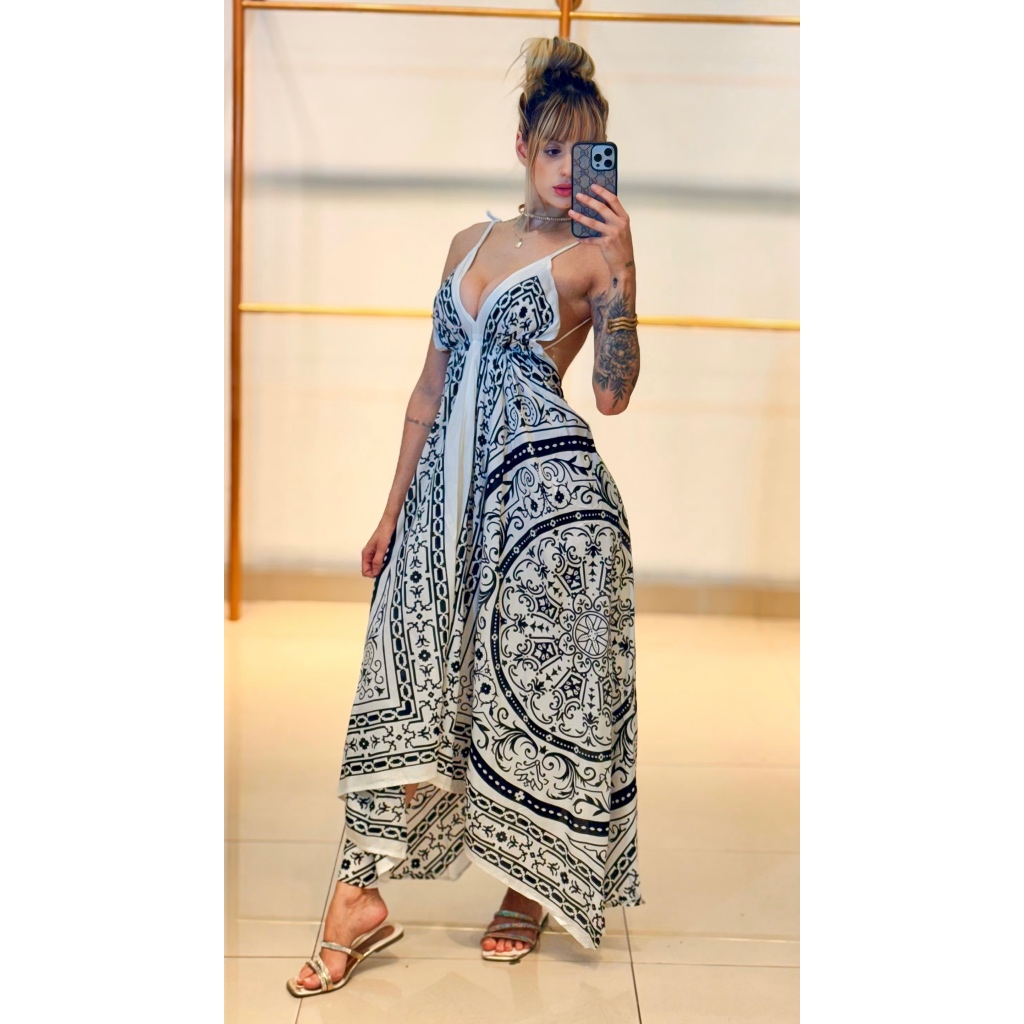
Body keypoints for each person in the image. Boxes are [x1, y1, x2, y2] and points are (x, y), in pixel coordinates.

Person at [288, 35, 642, 997]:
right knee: (401, 685)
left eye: (585, 150)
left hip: (543, 506)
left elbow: (612, 395)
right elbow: (428, 388)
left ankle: (528, 888)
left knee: (532, 696)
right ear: (522, 144)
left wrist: (624, 274)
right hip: (442, 501)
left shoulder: (594, 257)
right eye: (553, 147)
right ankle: (359, 897)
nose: (568, 168)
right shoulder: (467, 246)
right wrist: (389, 510)